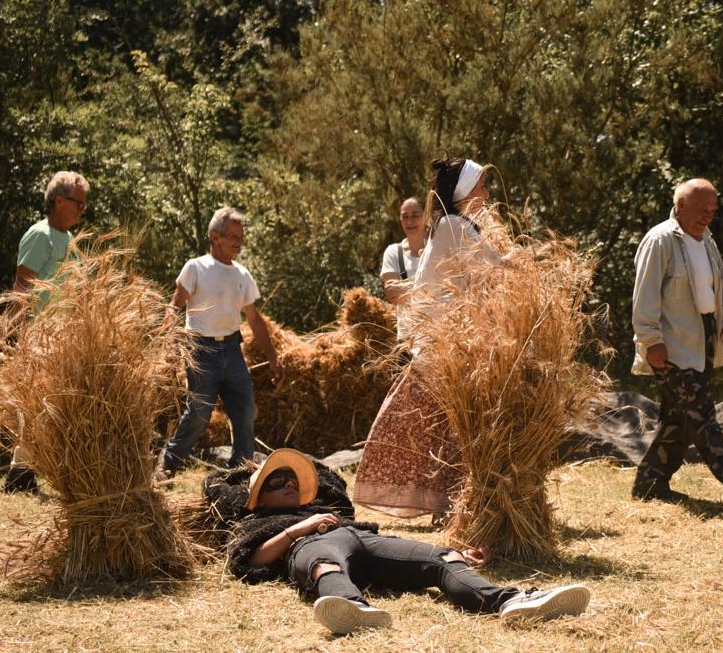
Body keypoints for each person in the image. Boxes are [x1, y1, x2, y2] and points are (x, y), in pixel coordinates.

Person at [207, 448, 591, 635]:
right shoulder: (258, 521)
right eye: (277, 482)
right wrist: (299, 530)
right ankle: (352, 609)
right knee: (326, 564)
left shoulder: (325, 505)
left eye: (292, 480)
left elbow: (329, 480)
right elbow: (251, 560)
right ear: (259, 497)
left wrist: (460, 552)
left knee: (444, 557)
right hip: (310, 546)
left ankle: (510, 601)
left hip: (360, 537)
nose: (288, 484)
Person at [353, 157, 502, 518]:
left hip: (451, 342)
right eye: (480, 186)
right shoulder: (453, 226)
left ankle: (448, 503)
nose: (485, 192)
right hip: (443, 346)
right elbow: (495, 267)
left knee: (446, 426)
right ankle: (447, 503)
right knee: (444, 424)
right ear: (465, 192)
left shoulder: (459, 225)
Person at [631, 178, 723, 502]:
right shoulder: (659, 240)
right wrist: (651, 341)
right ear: (680, 206)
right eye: (702, 209)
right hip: (671, 345)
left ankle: (650, 483)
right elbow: (644, 297)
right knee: (701, 414)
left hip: (702, 340)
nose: (707, 216)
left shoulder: (707, 242)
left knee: (679, 417)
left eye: (712, 210)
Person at [156, 207, 285, 479]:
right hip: (201, 350)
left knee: (246, 410)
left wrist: (273, 357)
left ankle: (240, 472)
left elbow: (254, 318)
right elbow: (174, 306)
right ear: (215, 237)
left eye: (241, 236)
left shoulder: (241, 274)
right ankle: (168, 462)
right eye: (233, 236)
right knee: (201, 412)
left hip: (232, 350)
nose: (239, 242)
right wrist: (169, 342)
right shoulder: (196, 267)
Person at [4, 171, 90, 493]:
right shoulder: (40, 235)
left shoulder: (68, 240)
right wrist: (21, 337)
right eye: (78, 203)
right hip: (40, 334)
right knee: (41, 405)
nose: (82, 210)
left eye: (84, 205)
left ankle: (21, 474)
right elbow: (21, 288)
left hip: (65, 335)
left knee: (49, 406)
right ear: (59, 201)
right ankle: (22, 475)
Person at [380, 197, 426, 344]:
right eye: (405, 217)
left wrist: (405, 289)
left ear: (426, 216)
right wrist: (428, 289)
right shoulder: (393, 252)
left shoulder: (438, 249)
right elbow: (393, 294)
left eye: (415, 215)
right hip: (407, 341)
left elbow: (448, 290)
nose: (410, 222)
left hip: (438, 339)